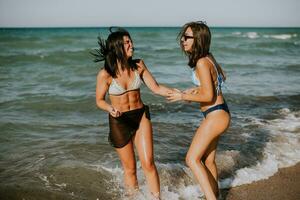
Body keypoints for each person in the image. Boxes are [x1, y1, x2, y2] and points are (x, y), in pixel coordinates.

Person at [93, 27, 173, 200]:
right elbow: (99, 100)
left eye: (131, 41)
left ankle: (156, 198)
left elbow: (157, 88)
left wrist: (179, 94)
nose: (132, 45)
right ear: (117, 48)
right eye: (127, 43)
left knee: (149, 163)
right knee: (130, 169)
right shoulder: (105, 74)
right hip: (119, 121)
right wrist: (109, 108)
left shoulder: (138, 65)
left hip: (140, 116)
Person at [167, 21, 231, 200]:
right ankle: (215, 195)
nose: (183, 40)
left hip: (215, 115)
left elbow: (208, 96)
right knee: (208, 160)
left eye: (187, 37)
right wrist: (194, 90)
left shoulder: (202, 62)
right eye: (183, 36)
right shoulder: (209, 57)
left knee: (192, 159)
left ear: (198, 39)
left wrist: (183, 96)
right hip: (220, 112)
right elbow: (220, 79)